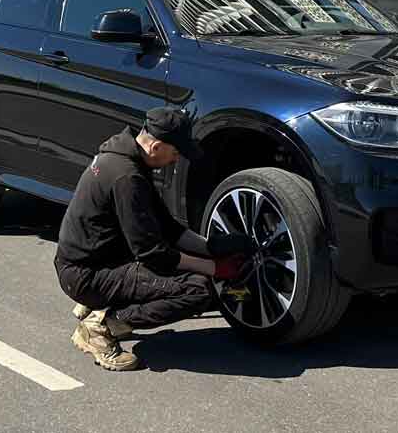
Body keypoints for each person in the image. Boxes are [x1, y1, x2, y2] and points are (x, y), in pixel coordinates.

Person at [54, 107, 256, 371]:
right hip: (85, 274)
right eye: (175, 153)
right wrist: (216, 269)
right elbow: (153, 252)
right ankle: (101, 327)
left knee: (177, 271)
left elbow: (167, 228)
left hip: (95, 260)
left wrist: (210, 247)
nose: (175, 160)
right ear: (157, 146)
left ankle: (100, 303)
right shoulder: (127, 177)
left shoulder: (125, 158)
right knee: (198, 289)